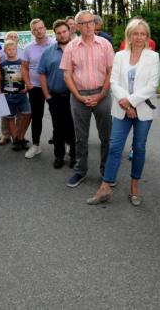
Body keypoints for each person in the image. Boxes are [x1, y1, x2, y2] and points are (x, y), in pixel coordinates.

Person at [86, 18, 159, 206]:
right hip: (121, 109)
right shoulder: (119, 56)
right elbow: (114, 82)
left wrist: (131, 102)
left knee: (139, 147)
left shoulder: (153, 57)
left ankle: (134, 187)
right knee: (114, 147)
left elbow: (152, 85)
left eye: (143, 34)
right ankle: (105, 187)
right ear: (129, 35)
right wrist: (126, 106)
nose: (139, 37)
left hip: (143, 110)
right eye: (135, 33)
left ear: (147, 36)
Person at [61, 10, 114, 188]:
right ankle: (80, 171)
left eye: (91, 21)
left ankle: (107, 171)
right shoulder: (71, 47)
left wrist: (101, 95)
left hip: (102, 94)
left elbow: (111, 72)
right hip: (79, 95)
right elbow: (67, 75)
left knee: (106, 136)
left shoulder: (105, 45)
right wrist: (78, 96)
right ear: (77, 26)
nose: (89, 26)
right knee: (80, 137)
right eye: (84, 23)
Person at [38, 20, 77, 169]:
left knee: (73, 128)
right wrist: (47, 95)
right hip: (55, 96)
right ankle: (59, 156)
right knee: (58, 128)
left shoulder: (78, 49)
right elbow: (42, 74)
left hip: (75, 96)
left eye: (64, 31)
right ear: (55, 35)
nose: (62, 35)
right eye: (58, 33)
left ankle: (74, 156)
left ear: (69, 31)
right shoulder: (48, 52)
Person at [22, 19, 57, 158]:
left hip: (52, 86)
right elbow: (24, 67)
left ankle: (63, 143)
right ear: (32, 32)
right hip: (35, 87)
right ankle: (36, 145)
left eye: (41, 28)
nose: (39, 31)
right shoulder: (28, 48)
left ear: (45, 28)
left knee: (58, 116)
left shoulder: (55, 44)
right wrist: (28, 83)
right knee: (36, 117)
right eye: (35, 29)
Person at [0, 39, 32, 151]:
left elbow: (28, 75)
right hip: (8, 95)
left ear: (16, 50)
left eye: (13, 49)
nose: (11, 51)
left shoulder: (22, 62)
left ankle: (21, 136)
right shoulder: (2, 64)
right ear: (5, 51)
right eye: (9, 49)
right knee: (10, 118)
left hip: (22, 94)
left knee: (27, 113)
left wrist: (27, 87)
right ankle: (15, 140)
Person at [0, 31, 22, 145]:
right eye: (10, 36)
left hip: (19, 88)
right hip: (4, 88)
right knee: (4, 112)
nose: (12, 38)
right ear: (5, 39)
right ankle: (5, 135)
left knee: (20, 113)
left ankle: (17, 135)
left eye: (15, 37)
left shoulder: (22, 53)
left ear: (18, 40)